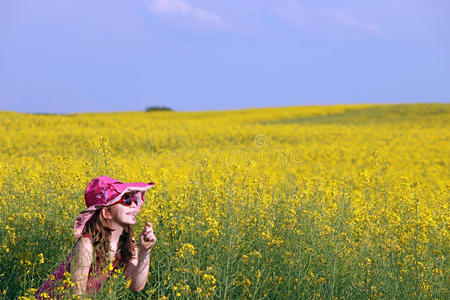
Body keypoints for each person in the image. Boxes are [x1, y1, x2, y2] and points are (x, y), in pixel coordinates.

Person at [35, 175, 157, 299]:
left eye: (134, 200)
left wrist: (146, 251)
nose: (134, 205)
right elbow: (77, 294)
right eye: (126, 200)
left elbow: (136, 286)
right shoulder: (87, 245)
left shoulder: (127, 243)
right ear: (106, 212)